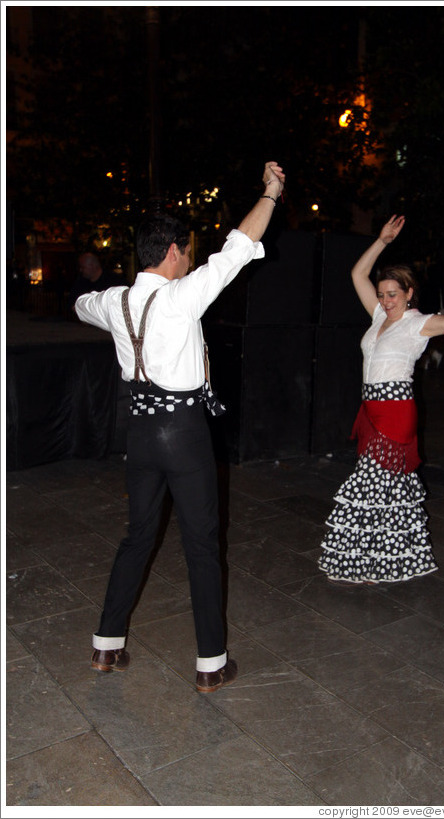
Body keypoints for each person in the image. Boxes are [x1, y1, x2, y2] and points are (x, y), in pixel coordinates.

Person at [75, 160, 286, 692]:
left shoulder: (114, 301)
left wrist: (110, 306)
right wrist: (272, 193)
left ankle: (106, 647)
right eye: (188, 250)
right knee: (200, 544)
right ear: (172, 251)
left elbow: (82, 304)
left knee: (136, 537)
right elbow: (238, 247)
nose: (191, 258)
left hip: (140, 435)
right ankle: (211, 664)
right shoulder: (180, 296)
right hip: (185, 434)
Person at [318, 215, 444, 586]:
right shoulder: (377, 317)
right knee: (387, 488)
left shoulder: (417, 322)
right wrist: (382, 241)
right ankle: (391, 559)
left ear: (409, 293)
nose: (386, 300)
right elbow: (358, 274)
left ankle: (372, 562)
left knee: (370, 483)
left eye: (393, 294)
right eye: (383, 294)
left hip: (395, 410)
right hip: (370, 410)